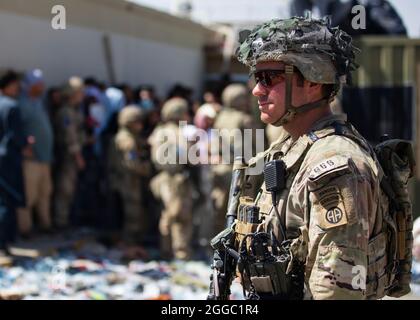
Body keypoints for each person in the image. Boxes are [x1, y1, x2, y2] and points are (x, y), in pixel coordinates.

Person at [212, 16, 409, 300]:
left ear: (314, 80)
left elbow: (337, 293)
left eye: (270, 78)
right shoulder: (290, 148)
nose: (257, 89)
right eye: (257, 78)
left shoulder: (337, 166)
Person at [148, 97, 193, 260]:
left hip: (162, 177)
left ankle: (165, 249)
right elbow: (186, 155)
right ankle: (181, 253)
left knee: (167, 214)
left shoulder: (159, 131)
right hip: (176, 179)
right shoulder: (176, 132)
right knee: (181, 217)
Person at [107, 106, 151, 245]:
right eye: (138, 122)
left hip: (121, 179)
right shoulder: (127, 141)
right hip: (128, 181)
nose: (140, 125)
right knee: (132, 213)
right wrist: (147, 169)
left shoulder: (122, 137)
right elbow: (132, 163)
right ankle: (129, 243)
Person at [17, 69, 53, 237]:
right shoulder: (21, 104)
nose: (42, 87)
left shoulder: (39, 102)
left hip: (44, 157)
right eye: (39, 84)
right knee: (28, 194)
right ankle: (25, 228)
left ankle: (45, 224)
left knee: (44, 192)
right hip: (31, 158)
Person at [52, 78, 86, 229]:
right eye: (79, 92)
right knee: (65, 189)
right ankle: (60, 221)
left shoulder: (74, 111)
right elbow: (69, 136)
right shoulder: (66, 112)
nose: (82, 95)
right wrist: (78, 156)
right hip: (68, 157)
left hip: (72, 155)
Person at [0, 70, 26, 250]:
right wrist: (26, 143)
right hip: (7, 160)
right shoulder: (11, 106)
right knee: (7, 201)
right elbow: (16, 136)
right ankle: (4, 242)